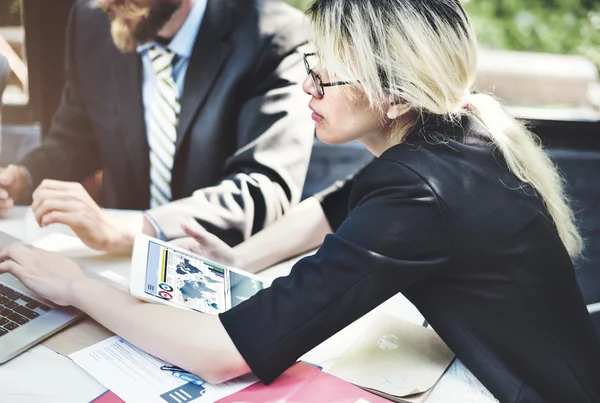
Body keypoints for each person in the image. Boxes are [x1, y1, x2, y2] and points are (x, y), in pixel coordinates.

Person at [2, 0, 600, 401]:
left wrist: (77, 286)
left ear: (394, 97)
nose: (306, 85)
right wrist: (237, 263)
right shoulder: (453, 136)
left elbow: (220, 354)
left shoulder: (418, 194)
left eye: (328, 75)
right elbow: (334, 205)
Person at [0, 0, 314, 252]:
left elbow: (264, 186)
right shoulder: (92, 19)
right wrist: (25, 176)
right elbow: (76, 138)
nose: (105, 3)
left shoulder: (273, 36)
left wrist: (140, 229)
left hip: (219, 269)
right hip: (112, 266)